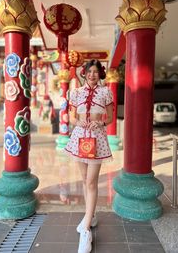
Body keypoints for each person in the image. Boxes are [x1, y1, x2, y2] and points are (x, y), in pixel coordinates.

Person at [65, 59, 113, 253]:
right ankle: (90, 216)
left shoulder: (105, 91)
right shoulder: (75, 92)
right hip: (79, 138)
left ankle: (85, 230)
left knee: (92, 182)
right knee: (85, 180)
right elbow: (71, 116)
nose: (92, 74)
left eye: (95, 71)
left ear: (99, 73)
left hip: (97, 139)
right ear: (83, 73)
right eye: (89, 71)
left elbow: (109, 117)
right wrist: (78, 124)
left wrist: (100, 124)